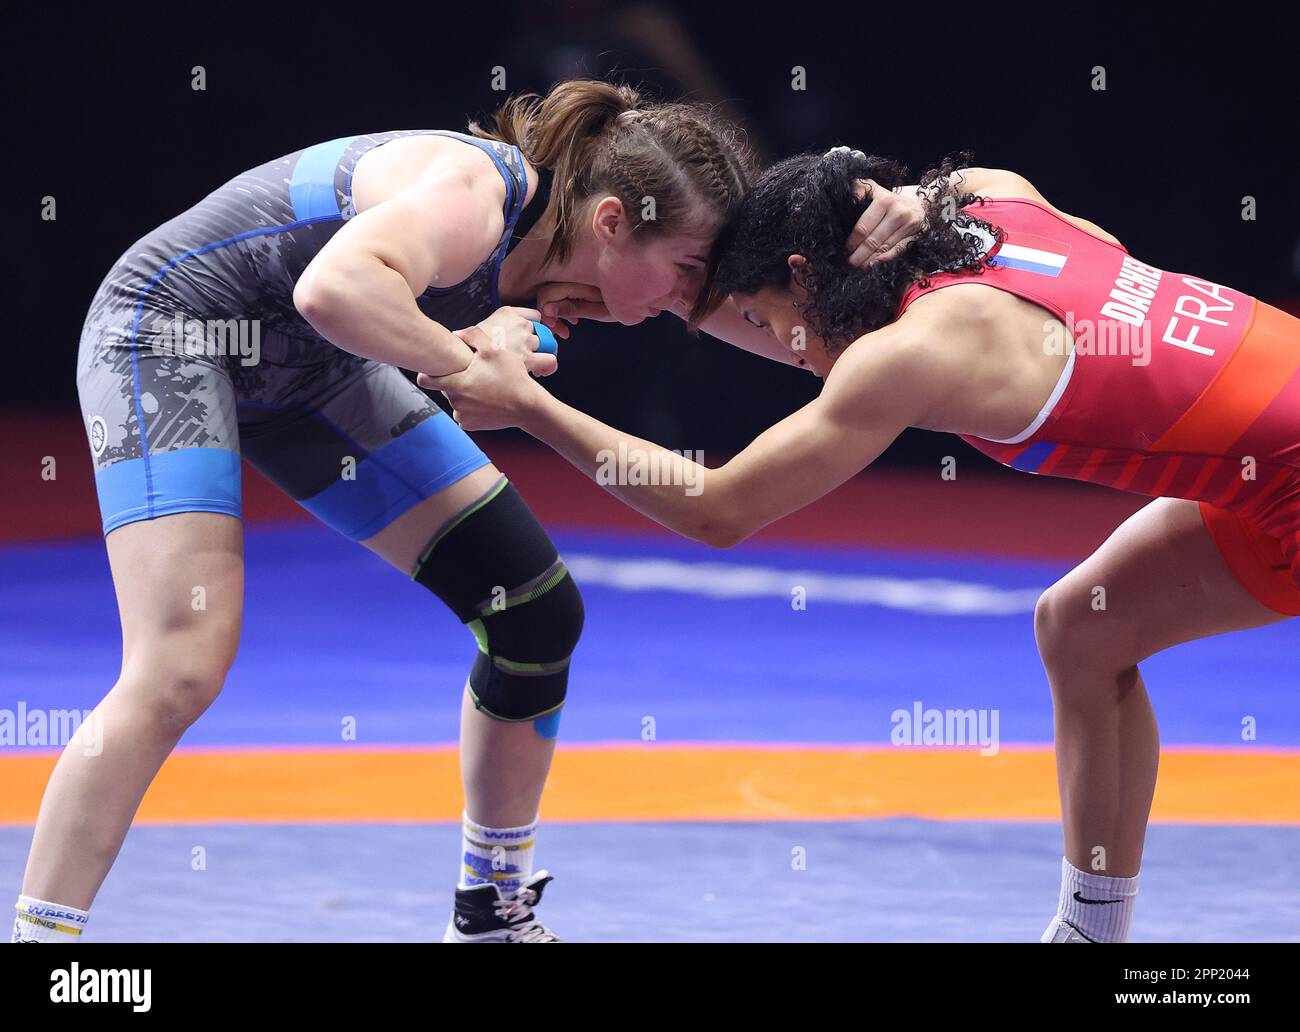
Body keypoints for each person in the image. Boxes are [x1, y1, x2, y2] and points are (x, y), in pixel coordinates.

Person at [428, 148, 1300, 943]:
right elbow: (864, 222)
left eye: (769, 326)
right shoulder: (994, 200)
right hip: (1271, 482)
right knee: (1083, 631)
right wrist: (626, 293)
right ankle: (1090, 937)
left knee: (1085, 630)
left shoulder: (915, 352)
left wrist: (531, 410)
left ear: (807, 275)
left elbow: (720, 509)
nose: (778, 349)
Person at [14, 79, 758, 945]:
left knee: (531, 610)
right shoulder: (478, 192)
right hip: (173, 333)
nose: (682, 305)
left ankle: (490, 915)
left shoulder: (554, 263)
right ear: (612, 223)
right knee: (181, 663)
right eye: (685, 273)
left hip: (311, 374)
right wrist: (462, 360)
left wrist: (879, 316)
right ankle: (45, 947)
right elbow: (333, 290)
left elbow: (753, 319)